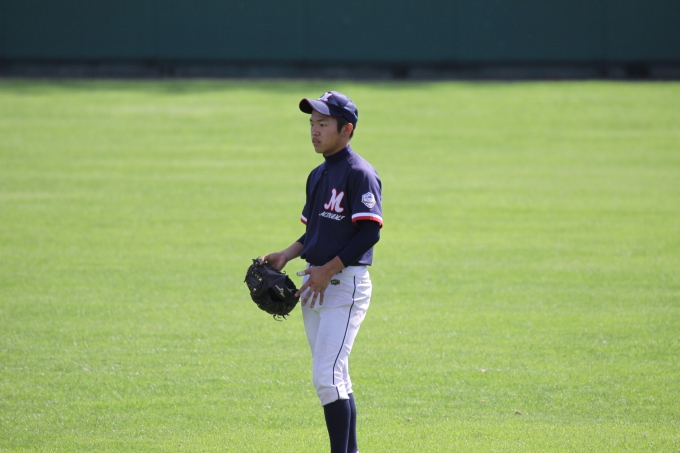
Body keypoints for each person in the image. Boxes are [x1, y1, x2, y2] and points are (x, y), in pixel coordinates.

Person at [262, 91, 383, 453]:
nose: (314, 131)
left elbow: (370, 231)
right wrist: (286, 255)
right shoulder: (317, 175)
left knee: (326, 379)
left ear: (346, 130)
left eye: (323, 124)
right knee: (336, 377)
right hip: (314, 286)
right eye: (312, 123)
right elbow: (314, 232)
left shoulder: (360, 173)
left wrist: (327, 270)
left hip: (344, 286)